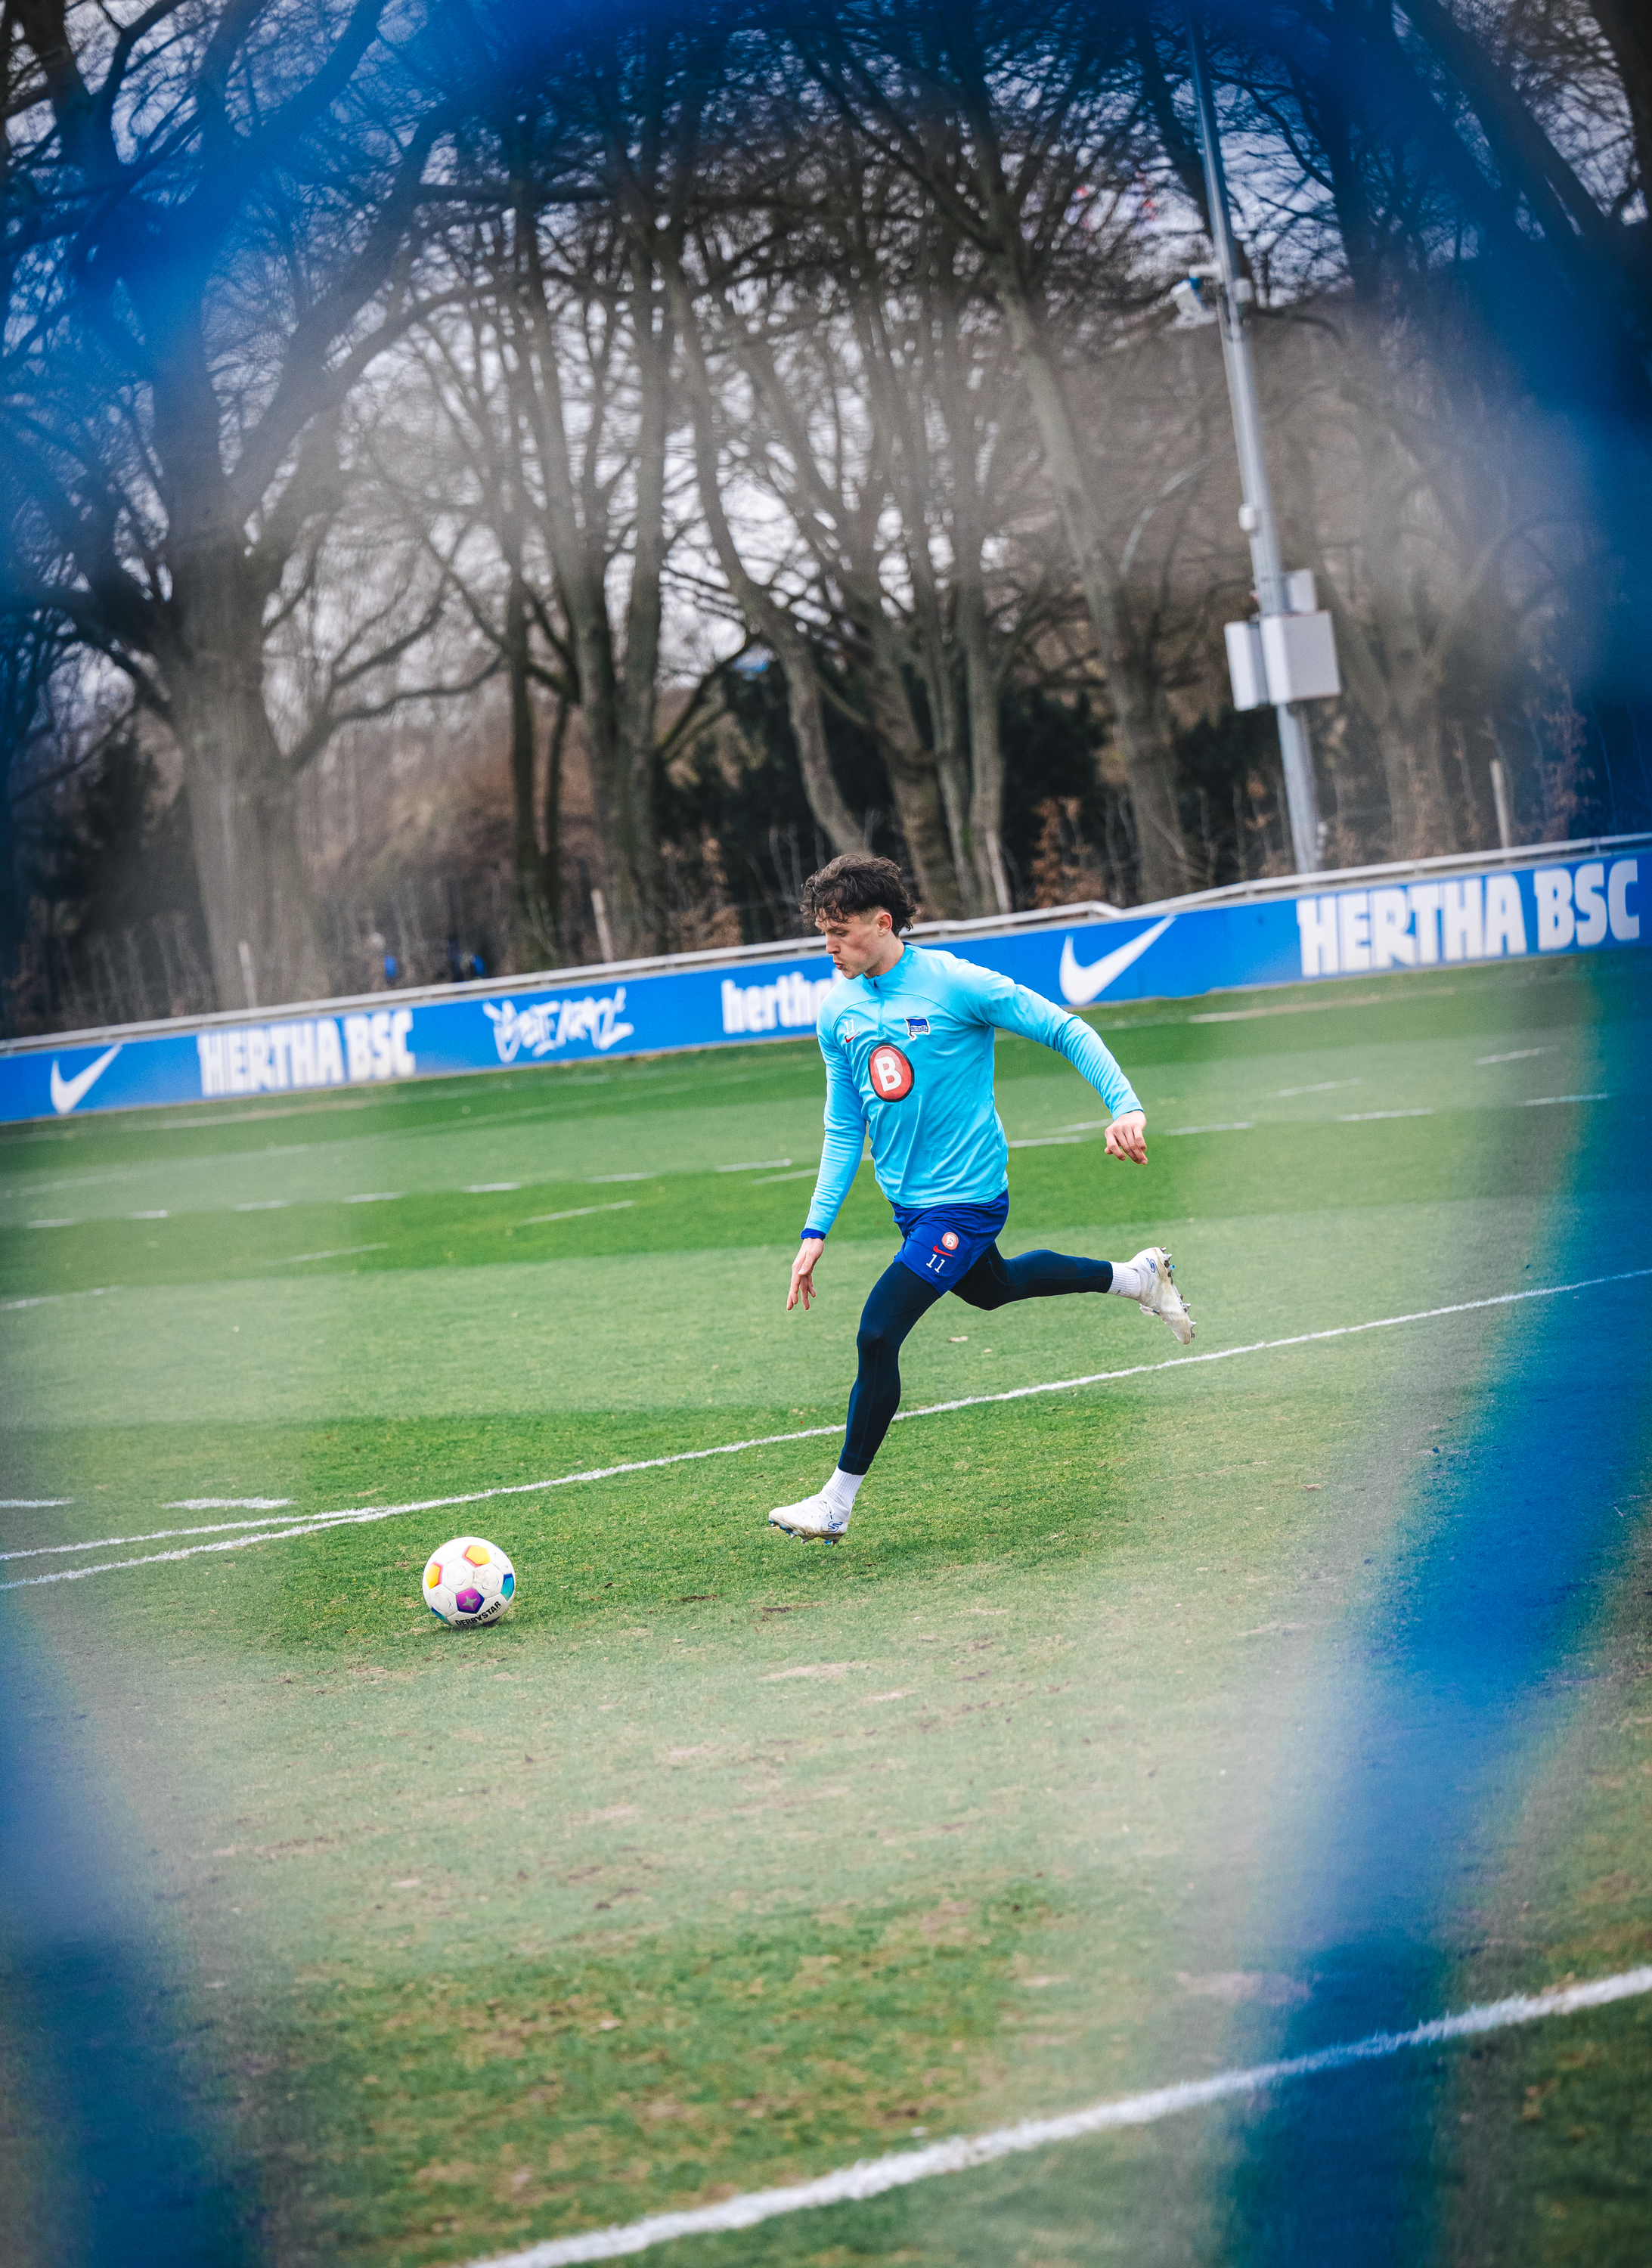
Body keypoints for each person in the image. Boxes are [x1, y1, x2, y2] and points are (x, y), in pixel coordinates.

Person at [769, 853, 1193, 1544]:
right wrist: (815, 1231)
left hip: (966, 1199)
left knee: (877, 1332)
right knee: (993, 1288)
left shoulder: (956, 984)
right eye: (823, 932)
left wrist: (1124, 1106)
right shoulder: (837, 1011)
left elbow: (1064, 1027)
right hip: (910, 1204)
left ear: (883, 923)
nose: (829, 947)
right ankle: (1138, 1278)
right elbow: (844, 1126)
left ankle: (836, 1502)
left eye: (840, 932)